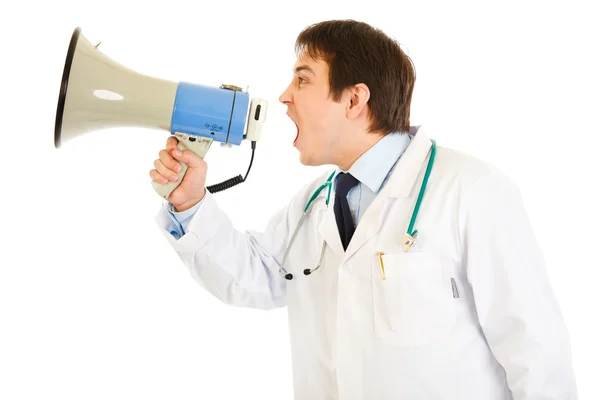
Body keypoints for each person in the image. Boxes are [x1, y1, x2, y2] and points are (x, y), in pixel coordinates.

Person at [150, 19, 577, 400]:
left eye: (302, 80)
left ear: (354, 100)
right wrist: (190, 204)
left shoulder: (470, 190)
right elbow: (255, 278)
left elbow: (534, 350)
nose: (283, 97)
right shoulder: (313, 202)